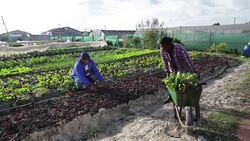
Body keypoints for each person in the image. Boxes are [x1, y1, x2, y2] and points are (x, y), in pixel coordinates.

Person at [160, 37, 197, 103]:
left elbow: (187, 60)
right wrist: (167, 72)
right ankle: (170, 97)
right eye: (162, 46)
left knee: (184, 84)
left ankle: (185, 97)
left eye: (164, 46)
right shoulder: (162, 50)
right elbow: (165, 62)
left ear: (169, 45)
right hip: (173, 69)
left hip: (183, 69)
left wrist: (193, 71)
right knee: (170, 83)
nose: (163, 48)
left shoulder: (179, 48)